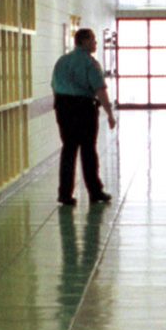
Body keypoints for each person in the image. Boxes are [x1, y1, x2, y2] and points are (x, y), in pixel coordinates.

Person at [50, 27, 117, 207]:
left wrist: (63, 105)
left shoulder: (62, 61)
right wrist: (109, 114)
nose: (96, 43)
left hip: (63, 107)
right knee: (88, 150)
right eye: (93, 39)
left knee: (69, 149)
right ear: (84, 41)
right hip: (83, 108)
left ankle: (64, 194)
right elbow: (100, 90)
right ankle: (95, 192)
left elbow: (54, 85)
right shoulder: (90, 63)